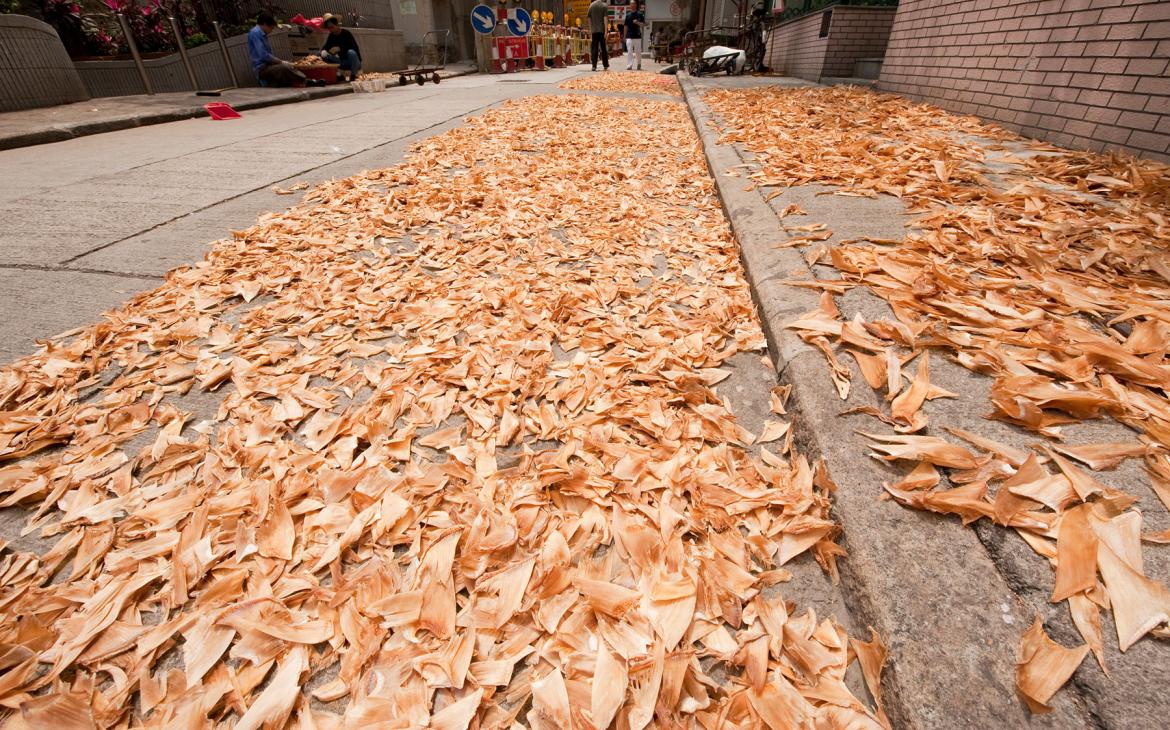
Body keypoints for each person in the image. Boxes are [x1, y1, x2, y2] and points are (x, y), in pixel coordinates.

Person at [247, 13, 322, 87]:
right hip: (262, 69)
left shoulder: (261, 33)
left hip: (268, 65)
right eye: (271, 28)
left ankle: (304, 81)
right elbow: (264, 55)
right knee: (284, 68)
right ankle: (307, 81)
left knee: (290, 65)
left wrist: (282, 61)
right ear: (264, 24)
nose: (271, 31)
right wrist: (281, 61)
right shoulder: (255, 33)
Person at [319, 14, 362, 82]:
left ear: (337, 25)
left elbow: (354, 48)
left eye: (332, 27)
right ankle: (338, 75)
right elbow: (326, 47)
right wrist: (323, 51)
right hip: (341, 62)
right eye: (329, 28)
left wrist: (340, 48)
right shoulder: (331, 36)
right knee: (323, 54)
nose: (330, 30)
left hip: (353, 62)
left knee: (351, 52)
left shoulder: (346, 33)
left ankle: (353, 75)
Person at [588, 0, 609, 71]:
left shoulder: (591, 5)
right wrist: (606, 31)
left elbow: (589, 18)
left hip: (594, 31)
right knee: (603, 48)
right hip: (602, 30)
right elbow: (605, 18)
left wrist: (591, 29)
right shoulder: (604, 5)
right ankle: (605, 65)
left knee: (594, 49)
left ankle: (594, 65)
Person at [623, 3, 645, 71]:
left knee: (638, 52)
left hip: (637, 36)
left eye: (633, 4)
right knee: (629, 51)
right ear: (630, 5)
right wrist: (624, 36)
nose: (632, 5)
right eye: (631, 4)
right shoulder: (628, 15)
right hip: (629, 36)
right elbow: (625, 26)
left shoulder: (640, 14)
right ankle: (629, 65)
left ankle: (639, 63)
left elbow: (644, 25)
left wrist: (637, 22)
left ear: (635, 5)